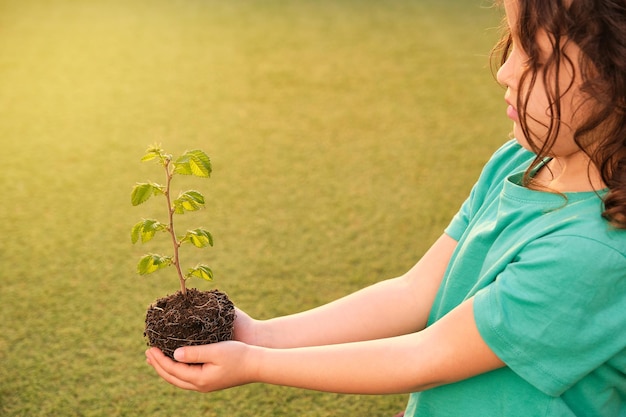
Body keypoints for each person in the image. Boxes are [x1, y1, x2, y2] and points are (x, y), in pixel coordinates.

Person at [145, 0, 626, 415]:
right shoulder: (523, 159)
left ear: (614, 78)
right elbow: (414, 292)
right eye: (512, 42)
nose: (504, 70)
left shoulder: (594, 252)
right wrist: (261, 335)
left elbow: (427, 356)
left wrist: (255, 364)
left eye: (535, 57)